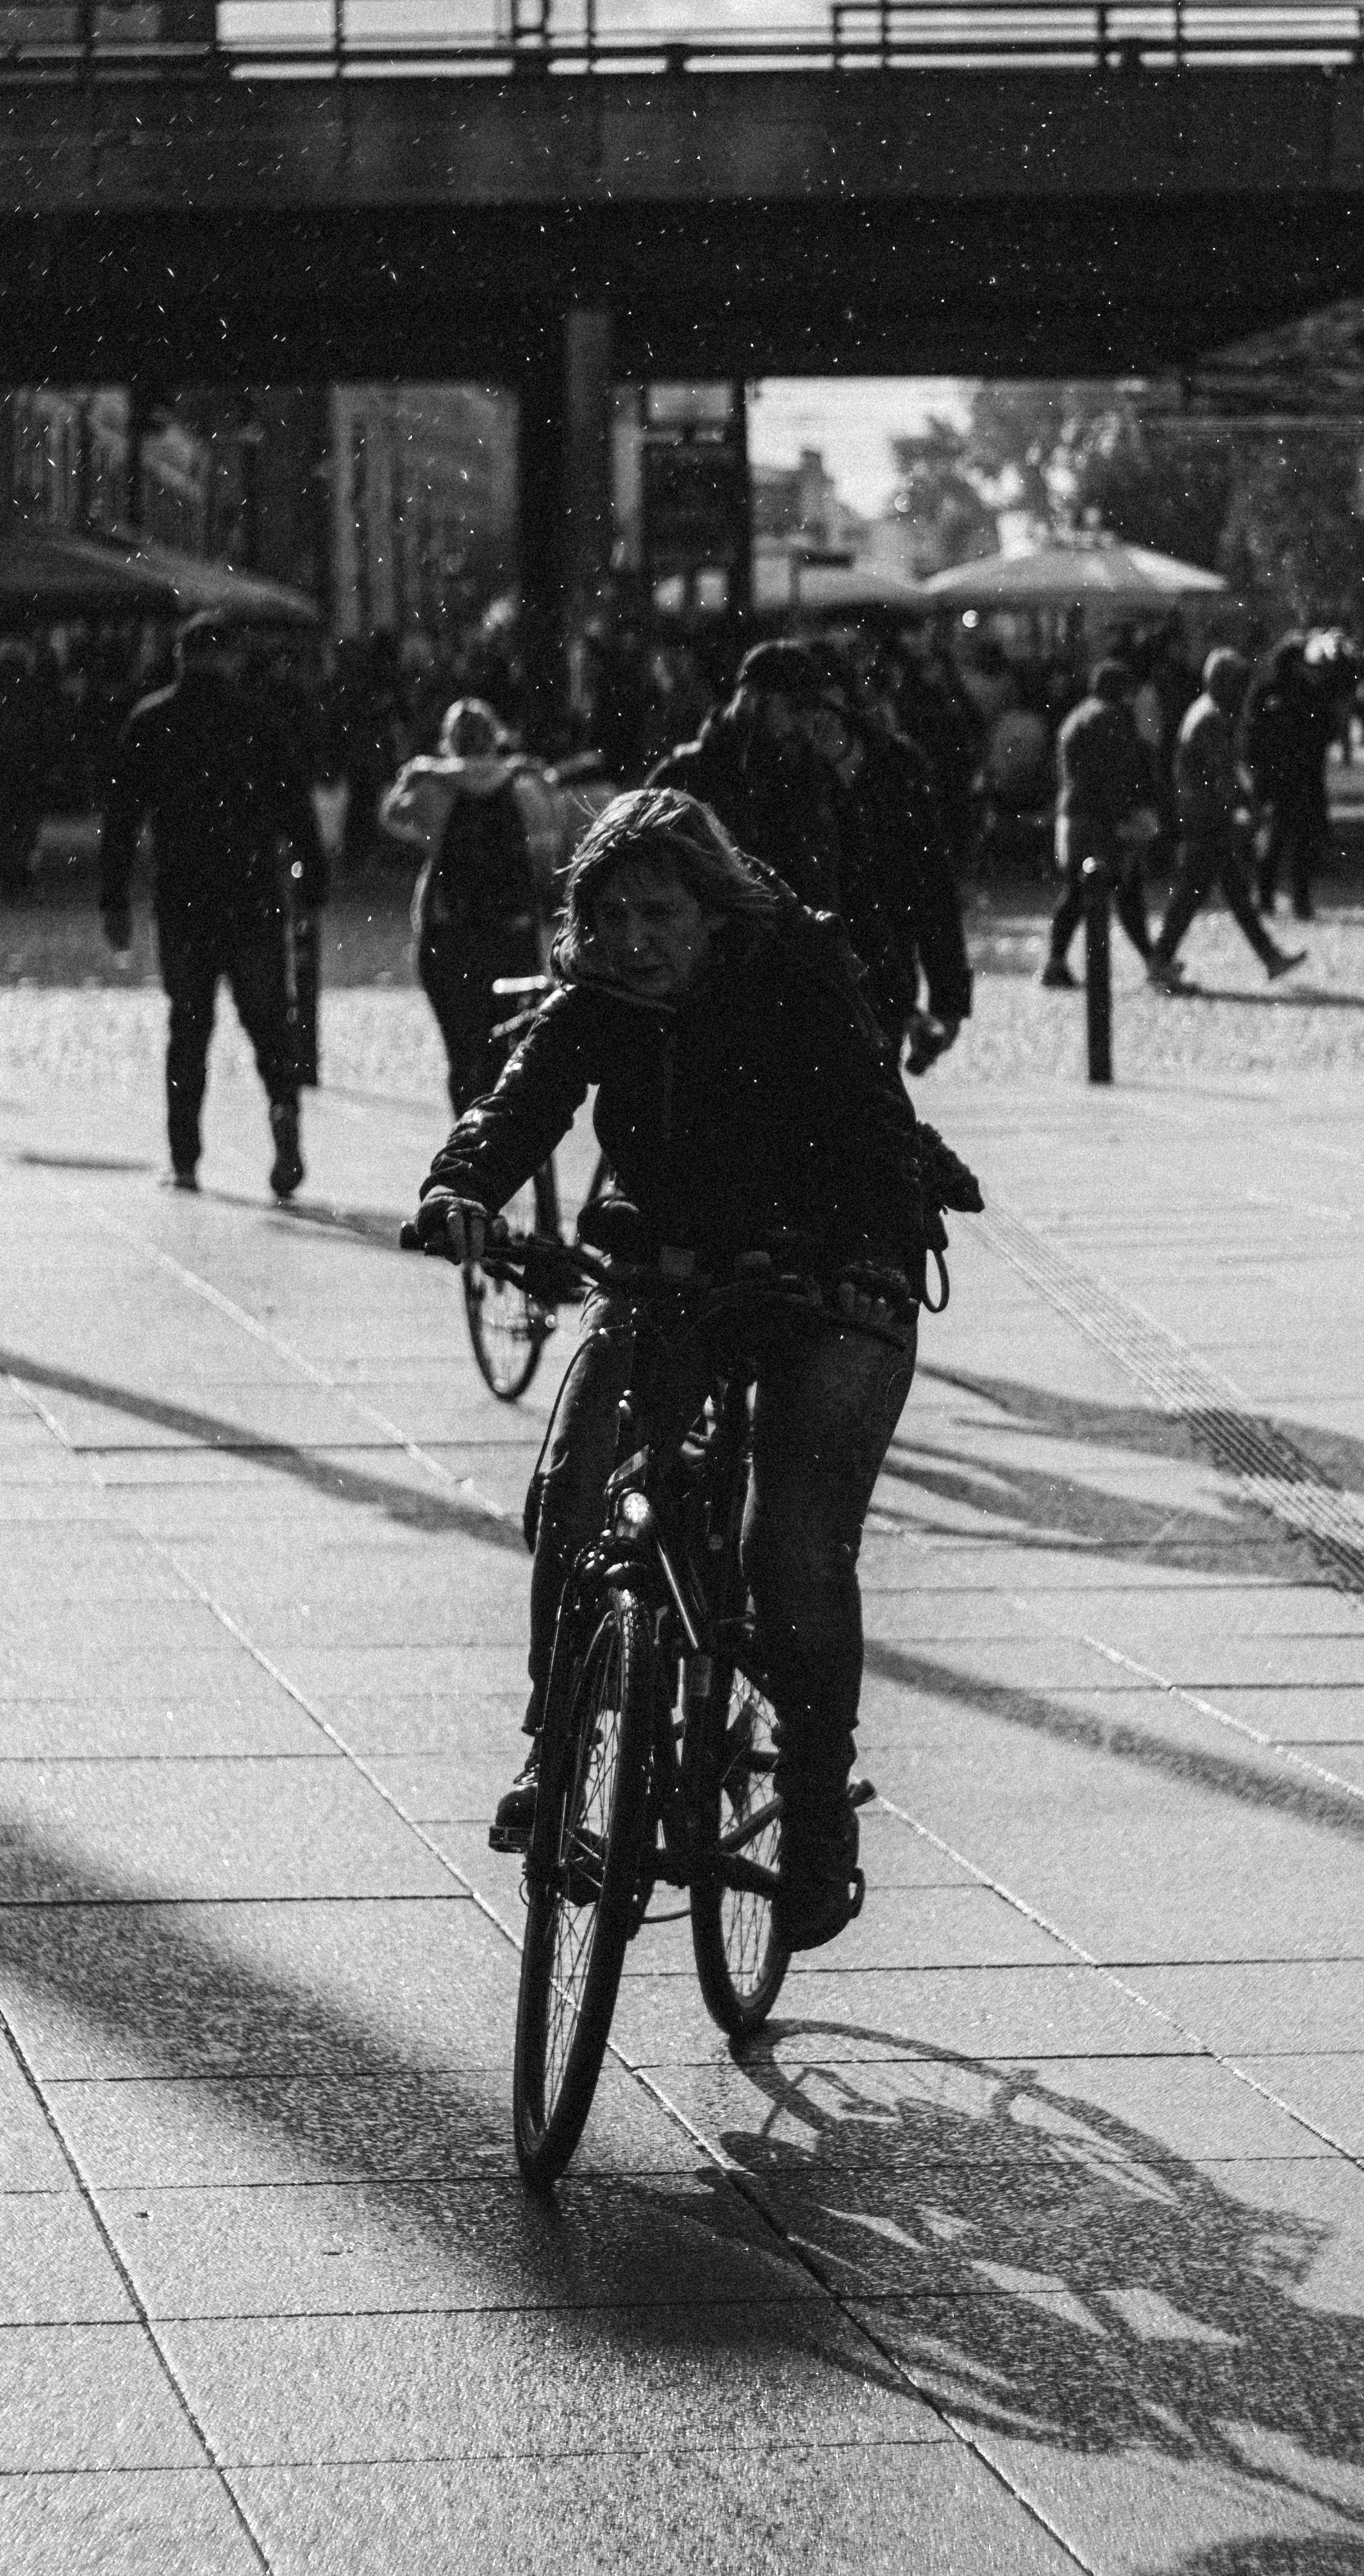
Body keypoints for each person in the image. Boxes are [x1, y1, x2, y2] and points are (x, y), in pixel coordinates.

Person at [412, 787, 927, 1951]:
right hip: (669, 1271)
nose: (632, 939)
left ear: (712, 909)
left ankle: (812, 1809)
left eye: (657, 912)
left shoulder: (796, 980)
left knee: (792, 1548)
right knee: (572, 1480)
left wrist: (871, 1262)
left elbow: (880, 1137)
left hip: (829, 1280)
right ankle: (556, 1757)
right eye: (608, 915)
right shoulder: (599, 1003)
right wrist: (462, 1188)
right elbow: (520, 1103)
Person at [101, 610, 324, 1199]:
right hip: (251, 895)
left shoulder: (151, 723)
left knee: (189, 1027)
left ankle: (185, 1158)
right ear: (229, 660)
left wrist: (114, 900)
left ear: (180, 659)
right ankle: (282, 1110)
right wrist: (312, 885)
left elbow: (122, 820)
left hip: (185, 898)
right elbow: (295, 810)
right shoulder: (257, 720)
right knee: (268, 1023)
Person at [378, 698, 550, 1112]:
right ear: (496, 737)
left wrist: (420, 776)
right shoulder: (523, 787)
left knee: (461, 1049)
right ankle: (498, 1130)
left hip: (449, 932)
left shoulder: (433, 790)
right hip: (510, 931)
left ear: (449, 742)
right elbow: (549, 839)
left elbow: (389, 817)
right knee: (506, 1045)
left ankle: (465, 1135)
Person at [806, 660, 973, 1068]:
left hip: (884, 978)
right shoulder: (784, 775)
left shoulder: (896, 768)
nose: (808, 726)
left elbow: (932, 883)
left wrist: (948, 997)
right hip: (804, 983)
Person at [653, 640, 845, 911]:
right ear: (751, 698)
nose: (804, 723)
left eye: (811, 710)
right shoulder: (684, 776)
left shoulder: (808, 774)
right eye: (794, 707)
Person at [1152, 648, 1302, 990]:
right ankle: (1160, 960)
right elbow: (1224, 775)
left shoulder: (1208, 713)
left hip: (1203, 814)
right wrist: (1247, 809)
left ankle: (1269, 956)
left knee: (1229, 891)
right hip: (1207, 818)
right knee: (1193, 893)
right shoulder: (1211, 718)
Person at [1042, 657, 1158, 985]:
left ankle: (1055, 962)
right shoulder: (1110, 717)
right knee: (1123, 888)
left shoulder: (1077, 715)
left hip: (1074, 813)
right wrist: (1128, 816)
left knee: (1079, 891)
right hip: (1099, 817)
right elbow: (1117, 774)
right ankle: (1152, 961)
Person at [1245, 633, 1338, 924]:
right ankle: (1297, 900)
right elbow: (1326, 731)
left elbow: (1251, 735)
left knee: (1277, 839)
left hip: (1278, 778)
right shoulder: (1308, 691)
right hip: (1300, 777)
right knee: (1297, 841)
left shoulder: (1267, 690)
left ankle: (1269, 898)